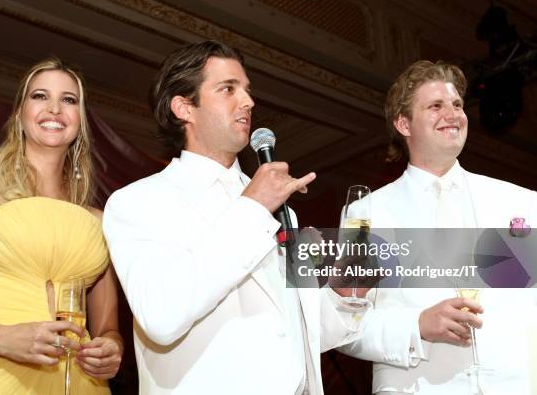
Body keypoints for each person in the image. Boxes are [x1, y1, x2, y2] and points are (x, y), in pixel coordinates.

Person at [103, 40, 367, 394]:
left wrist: (345, 292)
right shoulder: (138, 201)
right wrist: (254, 207)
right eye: (228, 89)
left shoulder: (281, 207)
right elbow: (161, 316)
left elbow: (302, 332)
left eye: (247, 90)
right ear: (184, 108)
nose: (248, 102)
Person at [338, 60, 537, 394]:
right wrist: (417, 326)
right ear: (403, 123)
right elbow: (344, 324)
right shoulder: (365, 214)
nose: (453, 113)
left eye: (457, 104)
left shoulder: (523, 204)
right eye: (435, 106)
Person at [0, 58, 123, 393]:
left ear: (80, 121)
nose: (55, 108)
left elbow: (108, 328)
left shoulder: (98, 221)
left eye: (69, 100)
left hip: (80, 385)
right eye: (40, 96)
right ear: (19, 115)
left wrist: (110, 350)